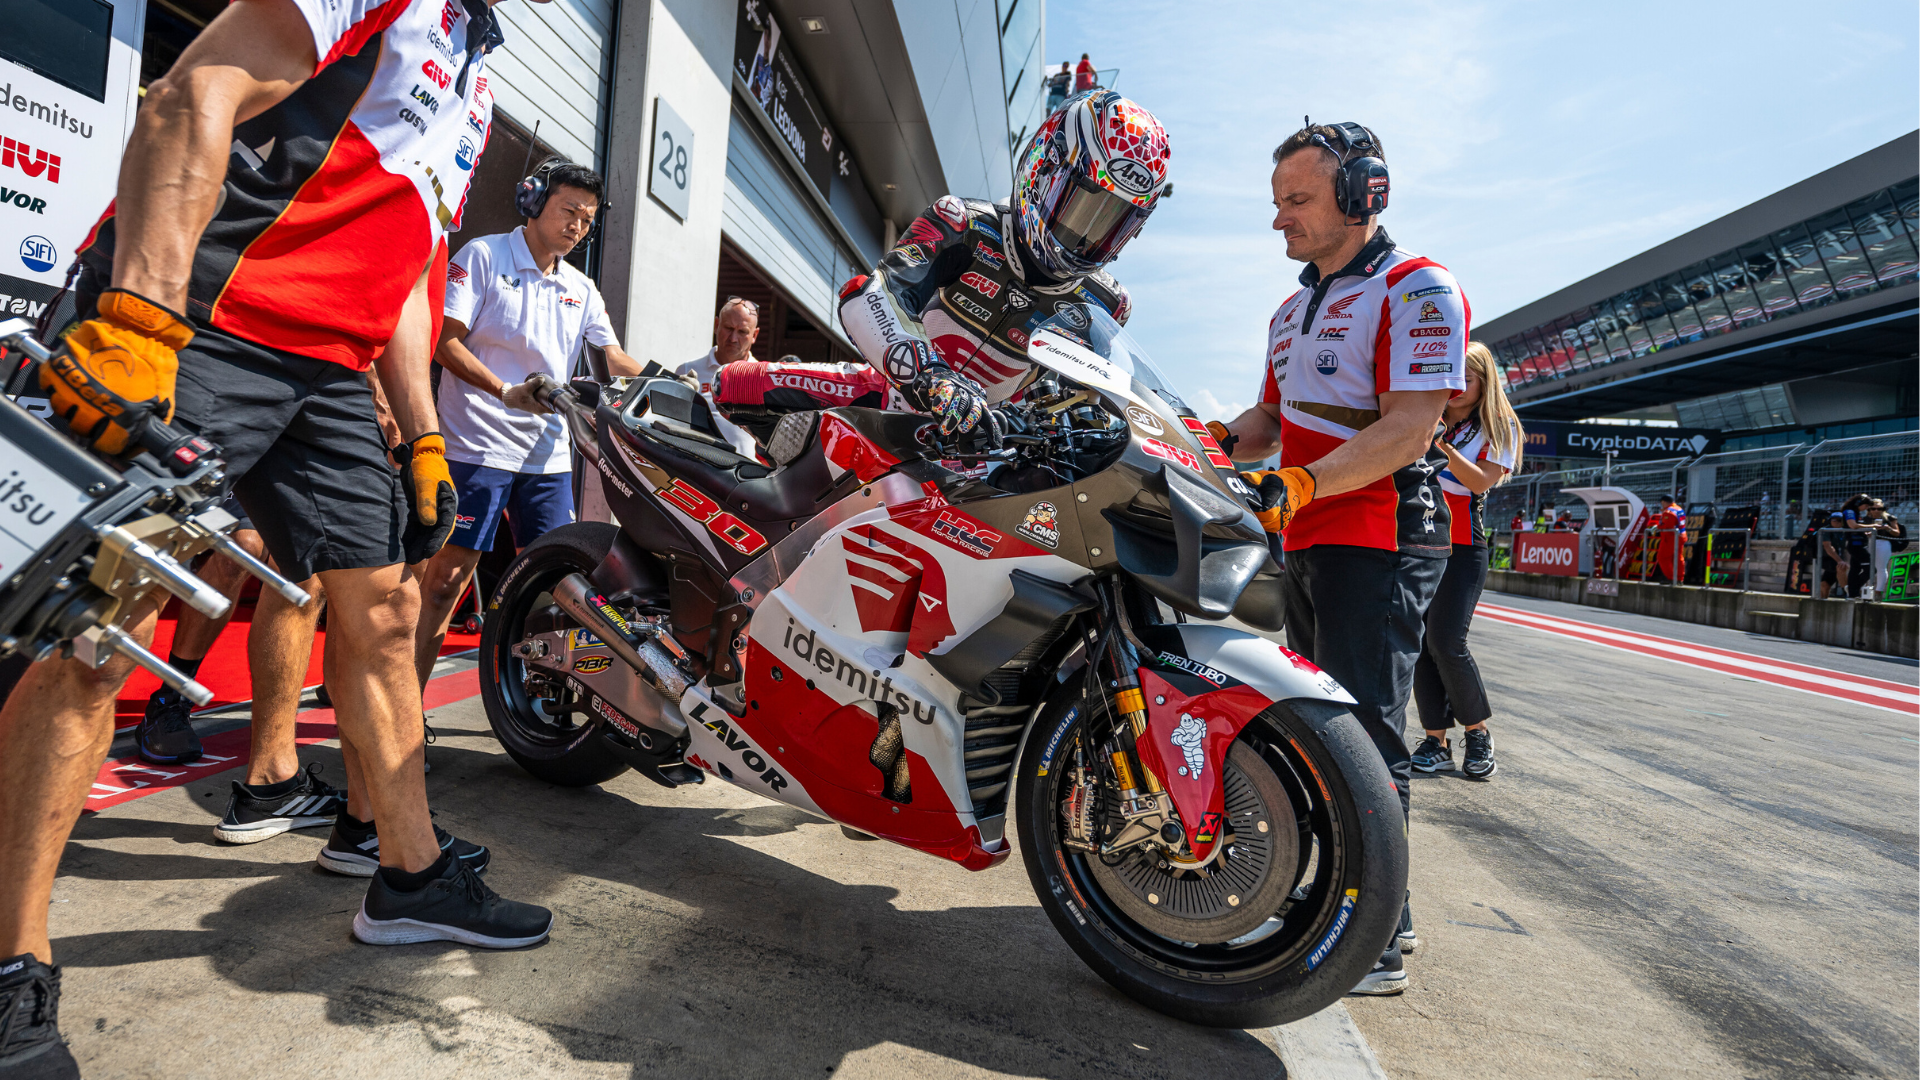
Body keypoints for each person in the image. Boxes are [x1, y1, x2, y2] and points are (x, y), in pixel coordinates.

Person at [1, 0, 557, 1069]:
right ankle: (12, 970)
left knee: (387, 614)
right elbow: (193, 94)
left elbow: (401, 268)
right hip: (200, 315)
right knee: (92, 626)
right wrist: (139, 320)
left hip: (330, 370)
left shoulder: (476, 68)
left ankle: (406, 876)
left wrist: (427, 440)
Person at [1210, 121, 1469, 997]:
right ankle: (1337, 903)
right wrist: (1204, 445)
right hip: (1312, 534)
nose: (1279, 220)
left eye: (1297, 200)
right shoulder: (1291, 309)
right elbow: (1267, 422)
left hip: (1384, 535)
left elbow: (1411, 425)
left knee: (1365, 735)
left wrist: (1301, 486)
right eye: (1277, 201)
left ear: (1363, 195)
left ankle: (1379, 938)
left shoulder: (1416, 287)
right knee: (1319, 730)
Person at [414, 160, 641, 686]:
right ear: (534, 201)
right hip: (474, 446)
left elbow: (612, 355)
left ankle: (530, 701)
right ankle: (406, 706)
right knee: (447, 580)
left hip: (547, 458)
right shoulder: (484, 256)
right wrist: (504, 391)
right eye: (568, 211)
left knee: (558, 582)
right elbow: (443, 341)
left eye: (586, 220)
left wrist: (675, 379)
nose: (577, 227)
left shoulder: (581, 288)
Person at [837, 90, 1164, 441]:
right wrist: (931, 376)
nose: (1085, 235)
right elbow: (871, 298)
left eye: (1111, 223)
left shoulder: (1107, 304)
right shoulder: (962, 223)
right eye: (1081, 207)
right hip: (887, 400)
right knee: (769, 387)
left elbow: (1106, 397)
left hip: (990, 453)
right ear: (1042, 168)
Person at [1409, 343, 1521, 781]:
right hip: (1417, 540)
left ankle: (1477, 732)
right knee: (1418, 642)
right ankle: (1435, 741)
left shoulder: (1499, 425)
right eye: (1451, 376)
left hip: (1463, 546)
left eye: (1466, 379)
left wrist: (1441, 446)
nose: (1456, 387)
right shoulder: (1424, 411)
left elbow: (1479, 483)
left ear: (1484, 382)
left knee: (1447, 640)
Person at [676, 298, 765, 458]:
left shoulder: (764, 377)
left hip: (745, 476)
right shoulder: (687, 370)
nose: (733, 338)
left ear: (754, 335)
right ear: (716, 325)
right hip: (697, 468)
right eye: (728, 328)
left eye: (743, 331)